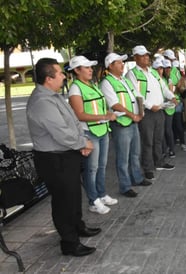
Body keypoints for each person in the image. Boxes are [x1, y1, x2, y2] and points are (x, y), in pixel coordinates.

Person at [27, 58, 100, 257]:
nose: (63, 75)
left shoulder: (54, 96)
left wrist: (81, 140)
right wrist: (82, 143)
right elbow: (60, 132)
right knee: (63, 201)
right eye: (59, 73)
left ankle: (78, 227)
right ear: (49, 78)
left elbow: (73, 123)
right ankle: (69, 242)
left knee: (74, 195)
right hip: (54, 159)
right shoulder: (42, 102)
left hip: (67, 155)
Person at [67, 56, 118, 214]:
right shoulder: (75, 88)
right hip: (89, 132)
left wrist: (107, 114)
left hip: (102, 130)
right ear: (77, 70)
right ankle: (93, 200)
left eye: (90, 67)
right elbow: (79, 115)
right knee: (91, 169)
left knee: (101, 166)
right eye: (86, 67)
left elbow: (98, 108)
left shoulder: (92, 85)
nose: (90, 70)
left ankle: (101, 194)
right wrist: (104, 117)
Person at [100, 53, 152, 198]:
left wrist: (140, 112)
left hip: (133, 122)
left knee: (135, 153)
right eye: (119, 62)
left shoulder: (124, 80)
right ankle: (125, 186)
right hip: (121, 124)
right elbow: (115, 104)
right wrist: (133, 115)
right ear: (110, 66)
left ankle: (137, 178)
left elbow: (137, 96)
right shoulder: (107, 83)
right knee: (123, 158)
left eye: (122, 62)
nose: (122, 64)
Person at [126, 45, 177, 180]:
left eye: (147, 55)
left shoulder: (153, 72)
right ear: (135, 57)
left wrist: (172, 96)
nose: (146, 57)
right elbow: (135, 93)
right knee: (147, 141)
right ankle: (148, 167)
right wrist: (149, 105)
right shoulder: (132, 74)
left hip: (160, 109)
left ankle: (159, 161)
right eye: (142, 55)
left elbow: (164, 87)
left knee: (158, 139)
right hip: (147, 112)